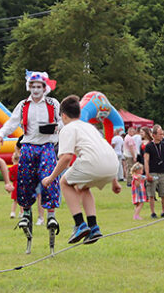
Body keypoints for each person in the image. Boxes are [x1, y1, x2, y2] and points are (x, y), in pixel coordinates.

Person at [40, 95, 121, 244]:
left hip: (93, 163)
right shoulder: (89, 127)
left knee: (64, 183)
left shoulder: (67, 129)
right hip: (113, 164)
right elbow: (103, 149)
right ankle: (94, 227)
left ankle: (80, 224)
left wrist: (50, 178)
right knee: (83, 187)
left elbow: (66, 158)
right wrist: (114, 180)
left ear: (63, 116)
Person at [0, 71, 62, 238]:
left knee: (49, 177)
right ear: (29, 87)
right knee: (24, 179)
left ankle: (51, 215)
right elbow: (12, 122)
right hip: (28, 145)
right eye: (33, 86)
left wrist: (56, 127)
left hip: (47, 145)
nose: (36, 90)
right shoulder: (23, 105)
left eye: (39, 86)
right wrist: (1, 135)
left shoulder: (53, 103)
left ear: (44, 88)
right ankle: (25, 213)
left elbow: (62, 120)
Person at [144, 124, 164, 219]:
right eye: (160, 134)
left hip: (162, 172)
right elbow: (146, 160)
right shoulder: (149, 146)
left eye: (162, 134)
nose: (161, 136)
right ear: (154, 135)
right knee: (151, 193)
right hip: (152, 172)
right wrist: (147, 174)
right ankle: (153, 212)